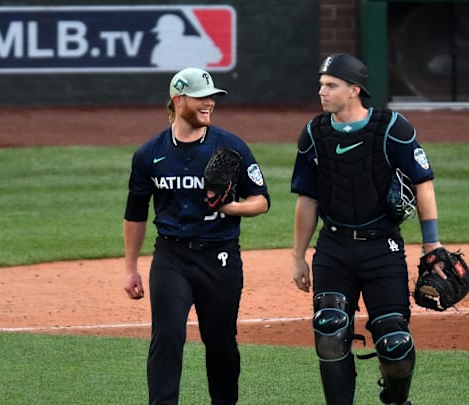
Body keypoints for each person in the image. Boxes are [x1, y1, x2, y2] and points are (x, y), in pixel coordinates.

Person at [290, 53, 449, 405]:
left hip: (383, 250)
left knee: (394, 342)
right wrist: (298, 256)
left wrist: (432, 244)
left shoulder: (393, 128)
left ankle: (396, 400)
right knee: (329, 327)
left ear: (354, 89)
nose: (322, 92)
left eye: (331, 85)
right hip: (334, 249)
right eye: (321, 85)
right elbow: (307, 200)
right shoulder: (315, 133)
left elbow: (424, 184)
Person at [123, 67, 270, 405]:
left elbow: (262, 201)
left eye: (212, 98)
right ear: (178, 100)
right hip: (171, 256)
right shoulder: (149, 154)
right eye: (201, 97)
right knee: (167, 336)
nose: (209, 104)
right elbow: (135, 213)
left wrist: (230, 207)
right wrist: (131, 267)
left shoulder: (230, 147)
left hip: (219, 257)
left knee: (220, 342)